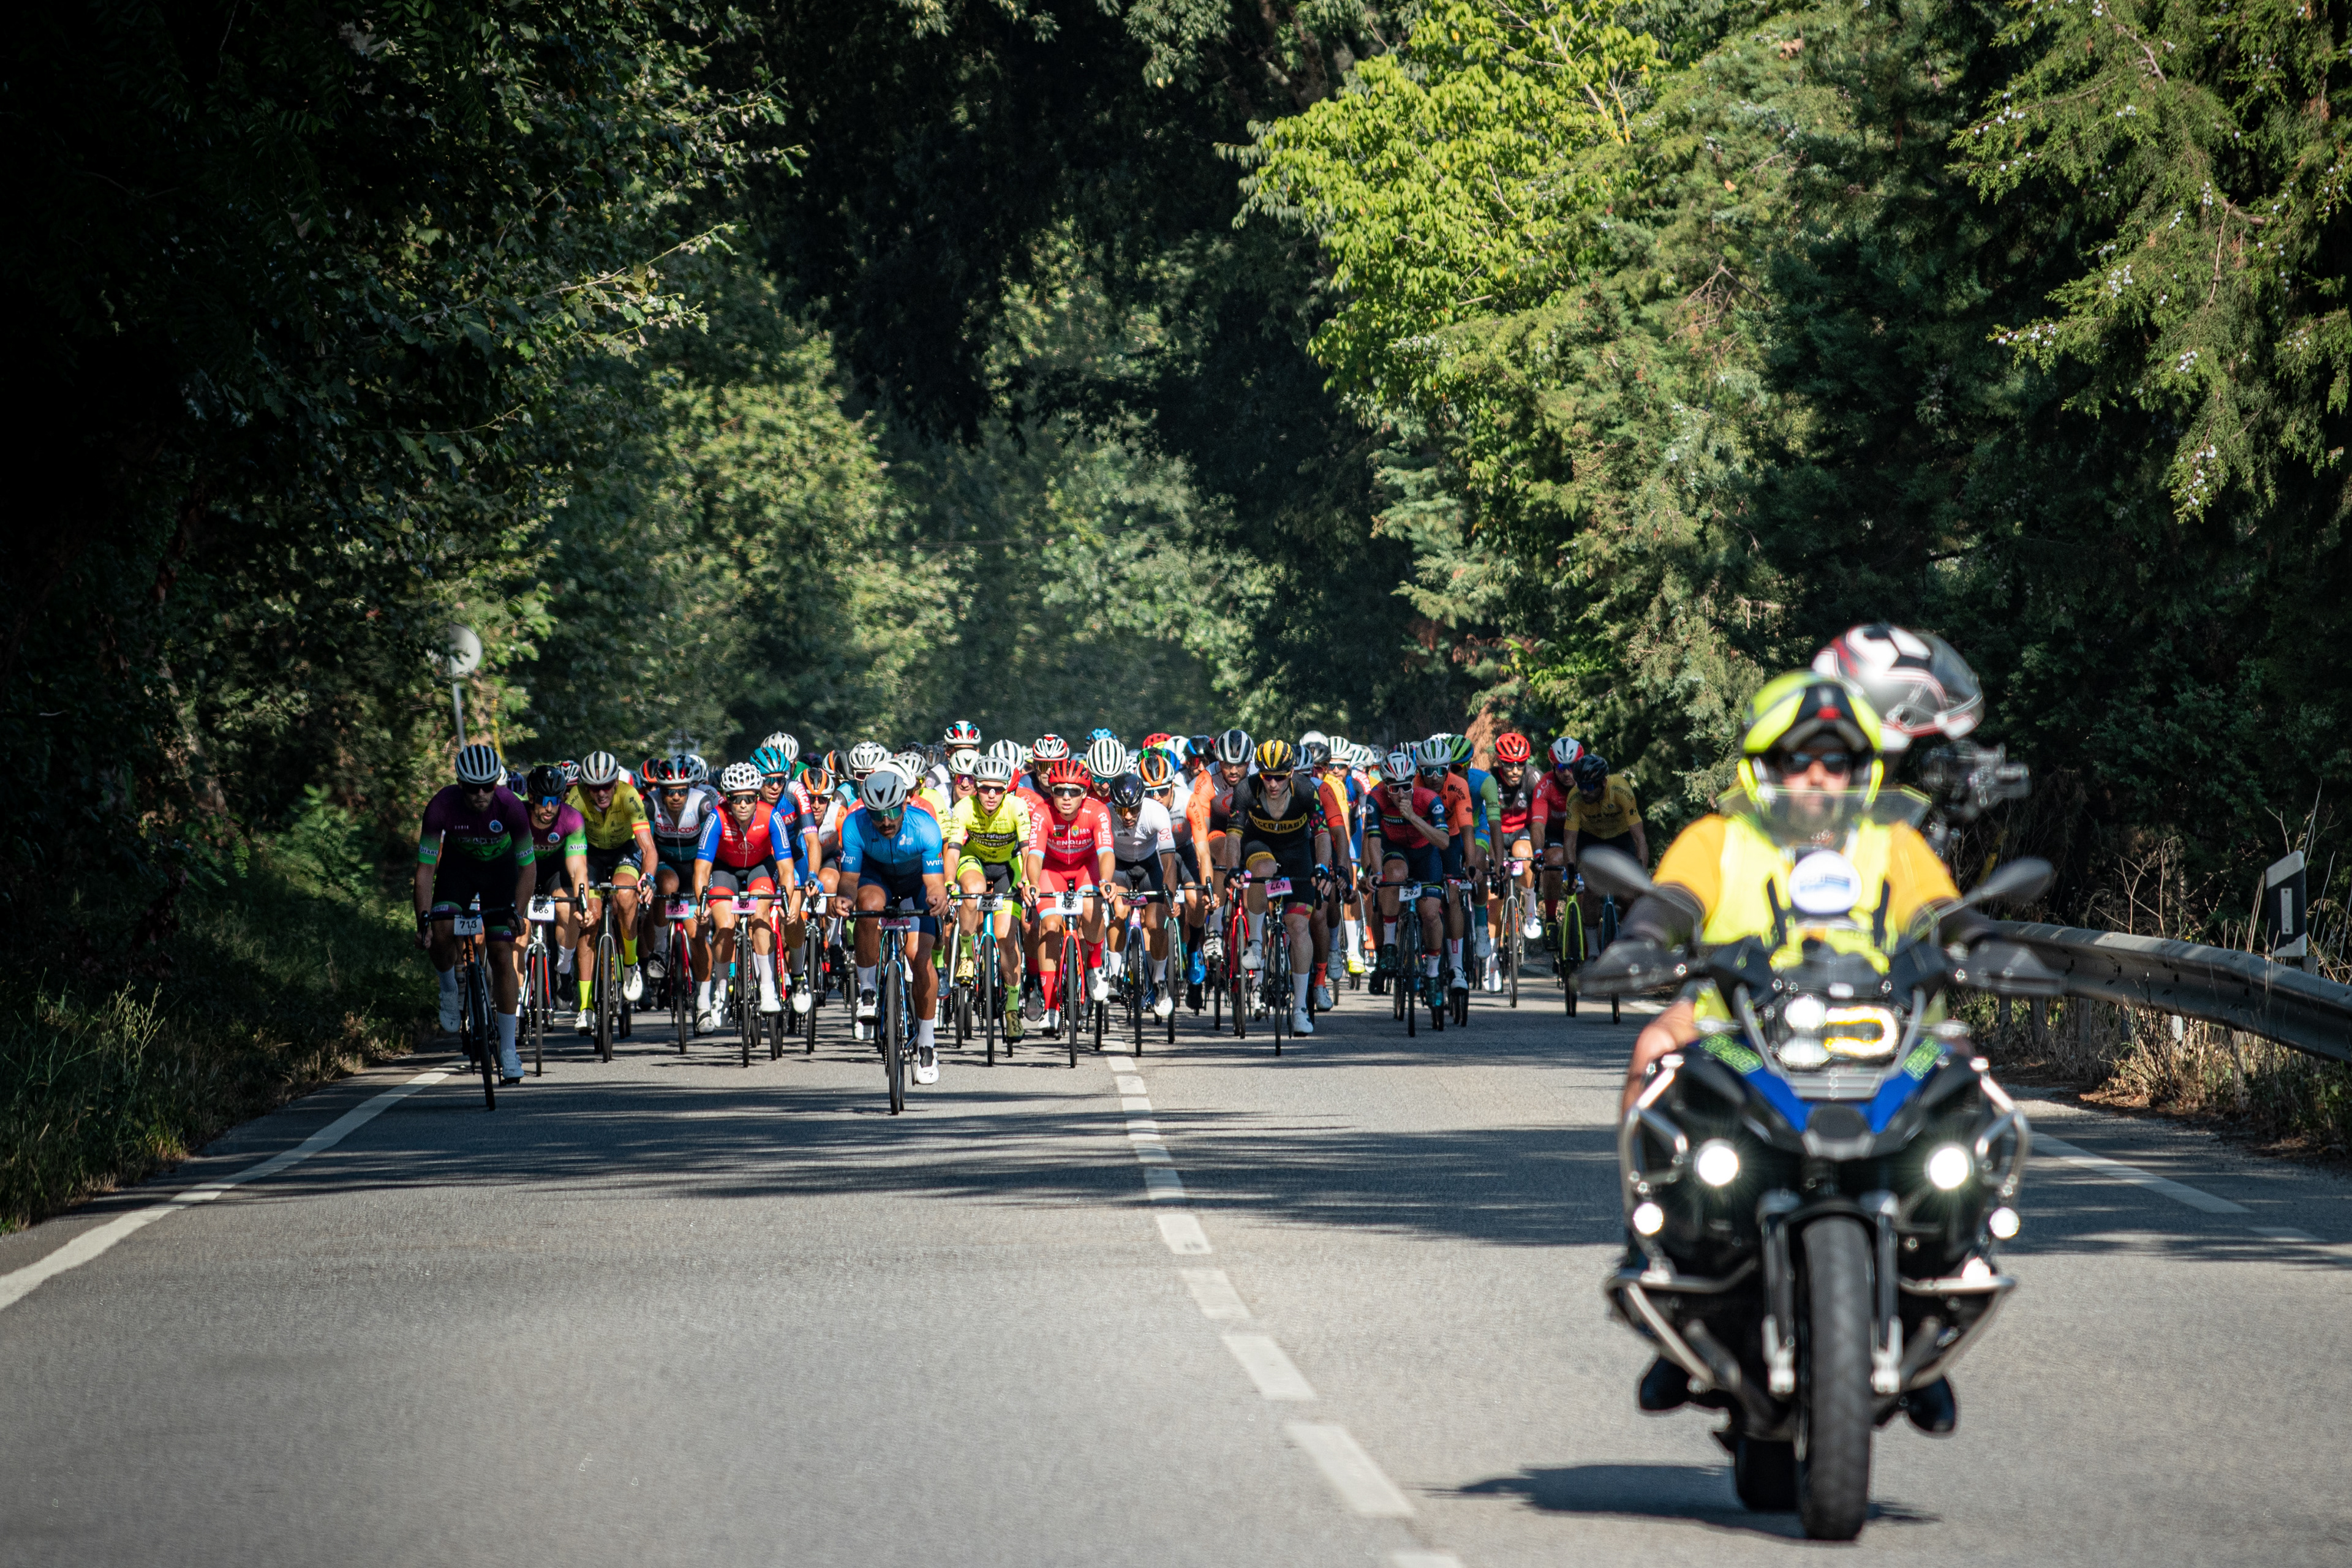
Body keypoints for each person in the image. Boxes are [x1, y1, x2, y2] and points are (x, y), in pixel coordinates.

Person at [1588, 671, 1983, 1431]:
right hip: (1736, 1032)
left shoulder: (1892, 844)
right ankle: (1658, 1249)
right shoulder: (1720, 839)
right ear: (1764, 767)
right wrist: (1640, 942)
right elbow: (1670, 902)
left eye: (1834, 762)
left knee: (1969, 1076)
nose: (1817, 776)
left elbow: (1947, 914)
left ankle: (1940, 1286)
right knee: (1651, 1043)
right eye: (1799, 759)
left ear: (1860, 771)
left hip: (1885, 1033)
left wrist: (1988, 946)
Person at [415, 742, 537, 1083]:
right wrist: (422, 919)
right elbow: (425, 870)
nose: (482, 794)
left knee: (501, 952)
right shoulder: (441, 806)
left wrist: (519, 911)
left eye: (488, 786)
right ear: (460, 783)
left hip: (501, 872)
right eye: (473, 787)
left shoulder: (511, 807)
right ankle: (449, 988)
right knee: (439, 933)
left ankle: (509, 1050)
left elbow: (528, 868)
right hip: (458, 871)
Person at [835, 764, 952, 1084]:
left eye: (891, 812)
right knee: (868, 906)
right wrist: (844, 899)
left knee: (919, 956)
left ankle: (927, 1044)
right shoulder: (855, 825)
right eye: (877, 814)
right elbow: (849, 880)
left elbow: (935, 883)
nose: (885, 822)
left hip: (916, 884)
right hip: (877, 879)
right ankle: (869, 991)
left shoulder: (925, 826)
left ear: (904, 805)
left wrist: (938, 899)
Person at [1219, 739, 1333, 1034]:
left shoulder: (1307, 791)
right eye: (1267, 776)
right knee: (1264, 869)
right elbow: (1233, 836)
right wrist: (1233, 867)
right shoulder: (1246, 789)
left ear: (1292, 773)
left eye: (1279, 777)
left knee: (1298, 926)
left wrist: (1322, 867)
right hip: (1260, 845)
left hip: (1297, 852)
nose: (1272, 783)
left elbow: (1322, 835)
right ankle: (1256, 943)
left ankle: (1299, 1009)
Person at [567, 750, 657, 1003]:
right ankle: (585, 1005)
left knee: (626, 894)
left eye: (607, 785)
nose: (602, 792)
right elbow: (568, 844)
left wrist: (648, 877)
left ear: (616, 782)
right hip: (590, 854)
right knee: (590, 918)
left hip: (624, 850)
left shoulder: (629, 796)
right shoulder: (576, 798)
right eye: (595, 788)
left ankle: (630, 963)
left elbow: (648, 848)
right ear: (586, 787)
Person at [520, 764, 590, 1025]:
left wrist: (582, 900)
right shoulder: (517, 814)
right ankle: (518, 994)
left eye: (556, 801)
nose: (549, 808)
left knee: (567, 908)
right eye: (543, 801)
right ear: (531, 798)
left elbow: (578, 867)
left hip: (553, 871)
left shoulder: (572, 819)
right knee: (520, 926)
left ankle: (564, 969)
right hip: (523, 868)